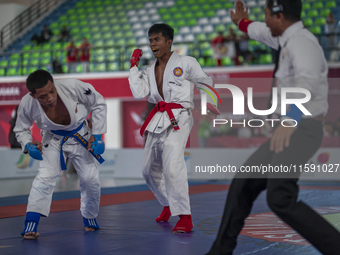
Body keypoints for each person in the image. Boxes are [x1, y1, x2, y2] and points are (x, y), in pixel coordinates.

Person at [206, 1, 340, 254]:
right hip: (292, 130)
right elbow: (263, 32)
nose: (265, 20)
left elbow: (308, 86)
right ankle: (220, 251)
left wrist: (289, 120)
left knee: (280, 196)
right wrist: (243, 24)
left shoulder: (302, 43)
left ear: (278, 16)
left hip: (302, 129)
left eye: (266, 15)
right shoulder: (286, 38)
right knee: (242, 184)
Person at [128, 23, 219, 233]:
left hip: (179, 116)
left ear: (169, 42)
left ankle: (185, 217)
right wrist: (133, 66)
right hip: (158, 117)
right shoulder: (149, 70)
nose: (152, 44)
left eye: (157, 40)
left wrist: (210, 102)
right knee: (147, 170)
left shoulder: (186, 62)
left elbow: (204, 81)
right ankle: (168, 204)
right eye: (150, 40)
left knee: (172, 166)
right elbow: (138, 92)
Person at [14, 70, 107, 239]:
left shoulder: (72, 86)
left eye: (52, 91)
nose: (49, 98)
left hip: (81, 136)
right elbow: (20, 128)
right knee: (45, 176)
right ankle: (31, 223)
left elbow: (98, 102)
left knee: (89, 179)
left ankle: (89, 216)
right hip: (53, 138)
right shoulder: (27, 103)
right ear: (33, 95)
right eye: (42, 96)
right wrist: (28, 145)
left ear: (54, 84)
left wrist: (98, 135)